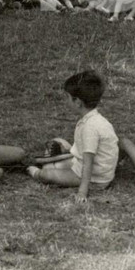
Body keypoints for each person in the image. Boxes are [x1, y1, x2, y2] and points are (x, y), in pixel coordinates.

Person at [28, 70, 119, 202]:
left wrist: (82, 192)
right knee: (55, 156)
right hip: (92, 169)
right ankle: (54, 161)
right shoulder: (96, 119)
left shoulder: (90, 127)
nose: (66, 100)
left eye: (68, 97)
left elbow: (88, 162)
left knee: (47, 174)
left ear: (78, 102)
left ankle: (34, 171)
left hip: (94, 179)